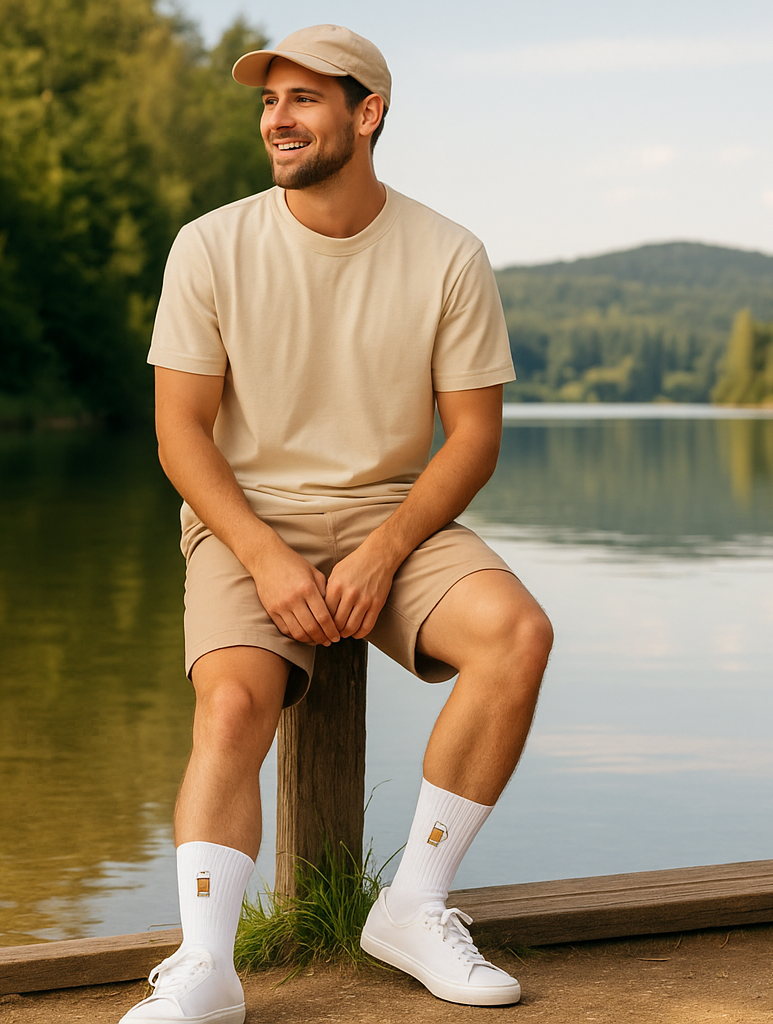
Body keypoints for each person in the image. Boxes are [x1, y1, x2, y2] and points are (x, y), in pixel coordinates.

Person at [120, 23, 553, 1024]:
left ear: (369, 113)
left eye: (305, 99)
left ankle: (413, 908)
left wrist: (386, 547)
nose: (278, 118)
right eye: (270, 101)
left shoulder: (449, 254)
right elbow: (181, 435)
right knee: (232, 708)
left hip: (395, 516)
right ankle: (205, 968)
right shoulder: (210, 245)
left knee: (517, 636)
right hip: (245, 517)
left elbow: (472, 440)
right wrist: (267, 558)